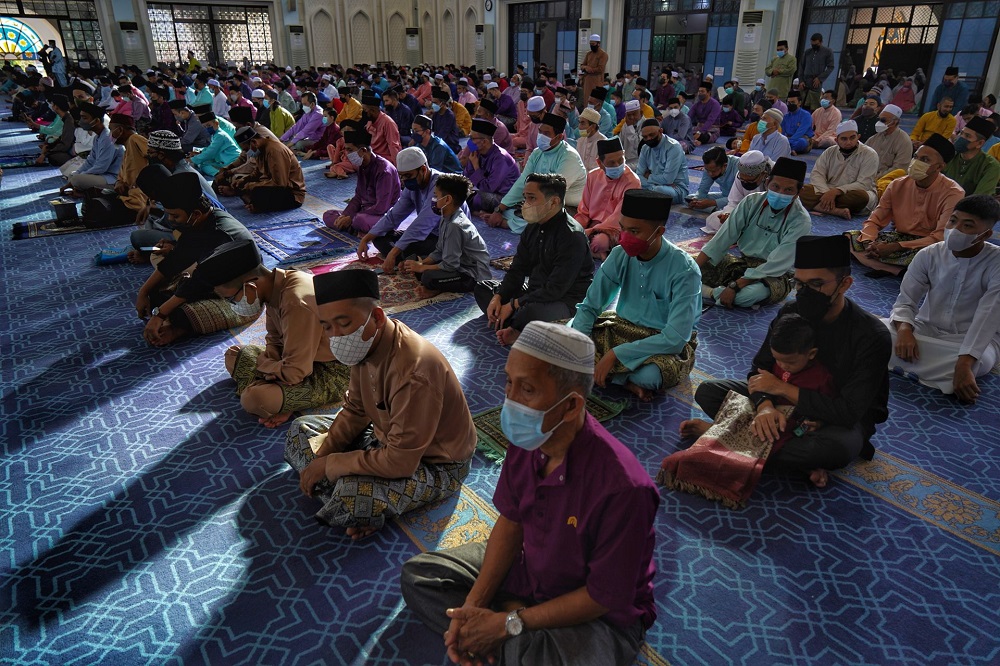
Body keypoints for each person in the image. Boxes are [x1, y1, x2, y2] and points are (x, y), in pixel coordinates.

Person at [401, 321, 659, 666]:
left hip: (598, 613)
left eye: (527, 389)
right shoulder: (529, 440)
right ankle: (495, 627)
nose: (510, 399)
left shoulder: (625, 488)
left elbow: (602, 596)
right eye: (509, 381)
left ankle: (506, 630)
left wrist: (508, 623)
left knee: (550, 657)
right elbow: (510, 524)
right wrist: (472, 607)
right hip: (532, 569)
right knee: (422, 576)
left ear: (570, 406)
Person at [684, 235, 890, 487]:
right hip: (779, 402)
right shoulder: (791, 312)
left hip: (831, 418)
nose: (806, 293)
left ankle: (724, 436)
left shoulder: (871, 335)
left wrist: (782, 389)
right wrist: (766, 406)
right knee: (708, 392)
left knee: (838, 449)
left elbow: (848, 411)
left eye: (816, 284)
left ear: (844, 284)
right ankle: (777, 452)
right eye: (800, 284)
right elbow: (758, 370)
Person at [284, 269, 477, 539]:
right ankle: (349, 493)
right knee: (300, 430)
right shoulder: (365, 345)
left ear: (375, 317)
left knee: (352, 496)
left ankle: (352, 497)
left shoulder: (414, 370)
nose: (336, 336)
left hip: (434, 463)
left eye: (343, 323)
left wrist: (330, 466)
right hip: (383, 439)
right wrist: (324, 457)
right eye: (327, 326)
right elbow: (355, 410)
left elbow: (401, 462)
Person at [192, 239, 349, 427]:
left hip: (338, 371)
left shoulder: (296, 301)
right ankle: (284, 398)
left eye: (231, 299)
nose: (232, 305)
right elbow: (274, 339)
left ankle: (279, 398)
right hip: (303, 360)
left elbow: (295, 371)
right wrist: (271, 367)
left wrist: (269, 369)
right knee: (235, 355)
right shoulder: (277, 288)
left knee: (254, 399)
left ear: (250, 286)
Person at [571, 189, 701, 401]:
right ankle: (624, 380)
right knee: (566, 332)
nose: (625, 238)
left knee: (650, 376)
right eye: (622, 229)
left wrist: (615, 355)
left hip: (662, 342)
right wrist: (580, 343)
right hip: (620, 328)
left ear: (659, 232)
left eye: (634, 231)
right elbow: (590, 305)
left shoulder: (685, 270)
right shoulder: (620, 254)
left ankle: (622, 377)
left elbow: (676, 338)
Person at [884, 195, 1000, 402]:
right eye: (953, 221)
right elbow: (906, 300)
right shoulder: (929, 254)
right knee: (875, 331)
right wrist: (904, 330)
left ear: (986, 234)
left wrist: (965, 361)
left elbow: (989, 315)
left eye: (967, 225)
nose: (955, 229)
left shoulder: (996, 262)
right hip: (925, 328)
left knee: (979, 361)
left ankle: (949, 367)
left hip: (970, 339)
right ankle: (945, 374)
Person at [135, 171, 257, 347]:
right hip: (214, 283)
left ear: (197, 213)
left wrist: (160, 315)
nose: (170, 220)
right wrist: (143, 292)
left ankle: (179, 329)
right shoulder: (200, 222)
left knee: (181, 314)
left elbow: (200, 281)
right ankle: (174, 321)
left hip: (244, 296)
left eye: (175, 216)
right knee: (156, 293)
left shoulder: (221, 234)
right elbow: (175, 260)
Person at [476, 174, 593, 346]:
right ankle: (518, 324)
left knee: (531, 312)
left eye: (531, 198)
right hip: (535, 291)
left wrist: (514, 304)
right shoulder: (533, 226)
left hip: (566, 300)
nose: (525, 204)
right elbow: (517, 269)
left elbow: (555, 289)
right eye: (525, 198)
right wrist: (500, 297)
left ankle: (516, 326)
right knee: (483, 288)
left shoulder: (572, 236)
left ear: (553, 202)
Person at [697, 157, 812, 309]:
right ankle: (717, 292)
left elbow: (777, 263)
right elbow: (723, 237)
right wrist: (693, 268)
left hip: (774, 275)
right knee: (687, 266)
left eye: (788, 190)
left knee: (746, 296)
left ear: (798, 192)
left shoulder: (801, 220)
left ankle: (709, 292)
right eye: (776, 186)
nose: (780, 193)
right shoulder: (751, 202)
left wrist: (735, 286)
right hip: (742, 264)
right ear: (767, 182)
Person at [848, 134, 965, 275]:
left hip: (926, 244)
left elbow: (941, 236)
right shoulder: (898, 184)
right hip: (899, 237)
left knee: (933, 257)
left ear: (939, 167)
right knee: (849, 238)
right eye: (916, 156)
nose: (916, 162)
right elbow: (875, 220)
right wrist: (869, 242)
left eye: (925, 160)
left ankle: (879, 264)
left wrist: (897, 247)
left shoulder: (953, 193)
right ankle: (893, 269)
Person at [357, 147, 466, 273]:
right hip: (429, 235)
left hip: (447, 237)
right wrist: (366, 239)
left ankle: (414, 260)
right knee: (380, 237)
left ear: (423, 169)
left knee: (406, 246)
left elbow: (421, 225)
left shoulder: (441, 187)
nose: (404, 180)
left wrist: (392, 253)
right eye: (402, 176)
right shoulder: (412, 186)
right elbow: (393, 216)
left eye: (408, 175)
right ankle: (410, 260)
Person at [490, 113, 587, 234]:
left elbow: (554, 193)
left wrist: (530, 206)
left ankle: (509, 223)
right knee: (508, 209)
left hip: (566, 206)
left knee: (543, 219)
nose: (541, 136)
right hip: (539, 200)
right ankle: (515, 221)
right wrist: (499, 210)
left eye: (546, 134)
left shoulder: (569, 157)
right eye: (540, 132)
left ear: (559, 137)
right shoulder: (537, 152)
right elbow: (523, 182)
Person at [401, 174, 492, 299]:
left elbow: (450, 265)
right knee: (415, 260)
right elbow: (439, 250)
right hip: (459, 262)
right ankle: (437, 283)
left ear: (447, 199)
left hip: (473, 274)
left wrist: (422, 268)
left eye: (436, 196)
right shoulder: (446, 215)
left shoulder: (455, 226)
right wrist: (421, 263)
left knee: (427, 276)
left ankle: (437, 289)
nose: (433, 199)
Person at [574, 137, 642, 259]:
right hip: (592, 223)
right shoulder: (592, 176)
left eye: (621, 160)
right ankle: (594, 252)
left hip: (616, 228)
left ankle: (588, 249)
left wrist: (589, 232)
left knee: (599, 242)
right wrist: (576, 227)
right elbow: (584, 210)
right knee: (569, 231)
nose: (617, 165)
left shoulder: (633, 182)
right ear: (600, 163)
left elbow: (618, 219)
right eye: (611, 163)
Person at [325, 125, 400, 234]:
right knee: (329, 215)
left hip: (384, 214)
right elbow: (359, 196)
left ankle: (355, 227)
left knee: (360, 220)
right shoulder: (362, 165)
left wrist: (352, 217)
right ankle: (356, 228)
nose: (347, 154)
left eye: (350, 150)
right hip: (365, 211)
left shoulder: (384, 170)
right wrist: (346, 215)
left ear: (363, 150)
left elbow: (381, 207)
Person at [798, 120, 879, 219]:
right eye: (844, 139)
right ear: (837, 140)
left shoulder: (869, 154)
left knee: (861, 197)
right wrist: (826, 193)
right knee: (800, 190)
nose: (849, 142)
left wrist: (837, 191)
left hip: (852, 192)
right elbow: (817, 174)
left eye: (852, 138)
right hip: (827, 189)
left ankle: (819, 206)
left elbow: (864, 183)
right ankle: (835, 210)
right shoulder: (829, 152)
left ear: (858, 137)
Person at [233, 126, 306, 213]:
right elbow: (257, 173)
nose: (246, 152)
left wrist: (253, 185)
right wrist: (244, 180)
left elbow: (280, 183)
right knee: (241, 184)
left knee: (257, 191)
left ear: (254, 142)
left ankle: (257, 204)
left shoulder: (275, 151)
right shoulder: (259, 149)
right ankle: (254, 202)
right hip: (273, 186)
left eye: (246, 149)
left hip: (291, 193)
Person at [59, 102, 124, 196]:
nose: (80, 121)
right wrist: (77, 174)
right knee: (73, 175)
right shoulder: (98, 137)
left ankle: (98, 192)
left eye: (84, 118)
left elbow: (101, 167)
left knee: (77, 180)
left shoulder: (108, 137)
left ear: (97, 121)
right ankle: (85, 191)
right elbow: (90, 161)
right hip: (103, 175)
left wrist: (78, 177)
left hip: (113, 178)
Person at [703, 150, 771, 234]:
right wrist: (727, 215)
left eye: (750, 181)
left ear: (763, 174)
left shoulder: (776, 179)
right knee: (712, 219)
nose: (745, 183)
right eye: (743, 180)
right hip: (745, 216)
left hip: (766, 218)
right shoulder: (740, 175)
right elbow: (734, 202)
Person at [463, 118, 520, 214]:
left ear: (484, 142)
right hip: (483, 190)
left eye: (472, 138)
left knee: (481, 198)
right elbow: (466, 177)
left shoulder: (501, 158)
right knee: (456, 189)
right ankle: (473, 209)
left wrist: (476, 166)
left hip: (504, 197)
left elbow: (489, 188)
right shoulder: (477, 153)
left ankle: (474, 210)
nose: (469, 142)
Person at [942, 116, 1000, 195]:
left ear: (979, 143)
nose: (961, 138)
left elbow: (979, 199)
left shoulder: (990, 166)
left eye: (967, 136)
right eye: (961, 133)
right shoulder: (948, 155)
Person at [637, 118, 689, 202]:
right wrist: (652, 185)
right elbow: (639, 174)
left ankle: (648, 194)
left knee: (659, 190)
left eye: (652, 135)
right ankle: (649, 193)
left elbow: (668, 179)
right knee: (629, 182)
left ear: (661, 131)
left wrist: (648, 177)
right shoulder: (645, 148)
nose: (649, 139)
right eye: (645, 137)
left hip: (676, 189)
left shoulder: (673, 147)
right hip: (653, 186)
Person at [865, 103, 912, 185]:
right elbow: (861, 156)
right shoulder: (874, 138)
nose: (879, 122)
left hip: (886, 182)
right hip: (867, 177)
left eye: (883, 120)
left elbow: (899, 170)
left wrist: (877, 178)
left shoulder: (904, 141)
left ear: (894, 122)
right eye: (879, 119)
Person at [189, 111, 241, 178]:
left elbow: (210, 153)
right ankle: (219, 174)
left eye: (208, 125)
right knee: (203, 164)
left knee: (202, 162)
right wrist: (199, 152)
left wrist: (192, 160)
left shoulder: (220, 135)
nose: (207, 128)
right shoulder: (215, 135)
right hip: (224, 161)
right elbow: (210, 148)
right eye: (205, 127)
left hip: (233, 160)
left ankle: (220, 175)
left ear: (216, 123)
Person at [690, 146, 738, 214]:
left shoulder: (738, 167)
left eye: (713, 171)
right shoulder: (710, 167)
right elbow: (703, 189)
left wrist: (713, 203)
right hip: (725, 196)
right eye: (707, 170)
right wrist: (696, 200)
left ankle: (722, 211)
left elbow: (738, 198)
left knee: (738, 208)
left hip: (738, 200)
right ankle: (720, 211)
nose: (710, 174)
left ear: (724, 165)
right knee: (690, 199)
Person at [360, 89, 401, 164]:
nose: (363, 112)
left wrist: (398, 168)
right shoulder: (370, 121)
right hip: (372, 155)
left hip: (384, 159)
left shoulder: (388, 123)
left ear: (372, 111)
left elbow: (393, 146)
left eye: (364, 110)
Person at [801, 34, 834, 110]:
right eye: (812, 44)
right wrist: (801, 80)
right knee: (803, 105)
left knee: (814, 107)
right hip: (805, 82)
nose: (814, 46)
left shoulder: (827, 52)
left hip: (816, 83)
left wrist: (820, 78)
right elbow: (801, 67)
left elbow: (830, 67)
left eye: (816, 44)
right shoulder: (808, 52)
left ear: (821, 42)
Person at [579, 33, 609, 105]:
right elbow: (582, 65)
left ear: (598, 44)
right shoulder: (589, 54)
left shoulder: (603, 54)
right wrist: (586, 67)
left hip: (596, 81)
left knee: (595, 101)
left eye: (593, 44)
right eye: (590, 44)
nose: (591, 46)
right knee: (586, 101)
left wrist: (590, 69)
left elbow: (601, 69)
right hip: (587, 81)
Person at [689, 81, 722, 146]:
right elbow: (689, 116)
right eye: (699, 91)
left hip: (712, 129)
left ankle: (698, 141)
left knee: (703, 136)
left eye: (702, 91)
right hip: (698, 128)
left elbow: (710, 120)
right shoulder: (697, 104)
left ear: (708, 92)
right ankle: (695, 141)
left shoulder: (715, 104)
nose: (700, 93)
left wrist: (700, 132)